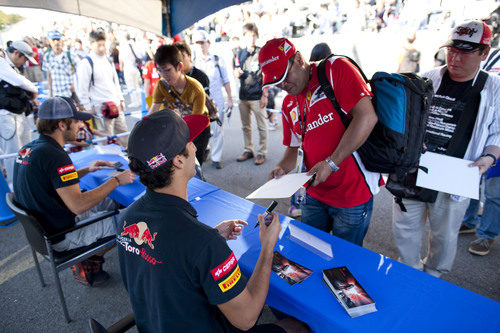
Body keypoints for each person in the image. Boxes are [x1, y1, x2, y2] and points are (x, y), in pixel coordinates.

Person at [119, 111, 308, 332]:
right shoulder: (204, 243)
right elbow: (246, 318)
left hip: (157, 323)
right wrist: (268, 247)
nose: (195, 147)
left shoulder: (127, 217)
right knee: (298, 326)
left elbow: (164, 258)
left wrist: (212, 237)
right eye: (189, 142)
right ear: (179, 161)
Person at [392, 21, 500, 277]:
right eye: (452, 50)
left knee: (444, 235)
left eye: (465, 53)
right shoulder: (430, 76)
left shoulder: (493, 88)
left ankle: (434, 277)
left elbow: (497, 132)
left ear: (484, 53)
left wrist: (489, 156)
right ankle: (409, 275)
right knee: (404, 228)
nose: (455, 58)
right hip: (414, 169)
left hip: (456, 174)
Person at [261, 38, 381, 246]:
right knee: (309, 252)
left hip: (351, 193)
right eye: (276, 82)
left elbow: (367, 117)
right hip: (312, 192)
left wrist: (331, 163)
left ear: (298, 59)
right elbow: (294, 147)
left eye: (284, 76)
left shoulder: (335, 69)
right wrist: (282, 167)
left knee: (345, 259)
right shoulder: (289, 101)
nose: (283, 85)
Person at [13, 97, 135, 285]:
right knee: (136, 217)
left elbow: (49, 181)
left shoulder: (30, 149)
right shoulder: (56, 155)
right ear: (62, 124)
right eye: (77, 120)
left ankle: (92, 256)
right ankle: (88, 261)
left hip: (45, 229)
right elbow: (78, 205)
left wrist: (86, 170)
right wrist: (117, 180)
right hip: (62, 234)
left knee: (113, 200)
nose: (81, 124)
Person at [459, 43, 500, 256]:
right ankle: (469, 220)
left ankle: (486, 234)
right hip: (483, 127)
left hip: (498, 136)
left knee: (494, 191)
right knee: (472, 177)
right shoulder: (492, 55)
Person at [148, 45, 211, 166]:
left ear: (179, 66)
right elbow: (153, 110)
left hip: (199, 129)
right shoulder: (161, 85)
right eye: (159, 71)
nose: (163, 75)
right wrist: (143, 127)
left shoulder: (196, 88)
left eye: (167, 70)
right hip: (179, 127)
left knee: (193, 166)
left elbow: (195, 122)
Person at [76, 30, 128, 147]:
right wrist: (89, 108)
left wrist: (121, 99)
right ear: (91, 44)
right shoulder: (86, 63)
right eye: (98, 45)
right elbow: (82, 89)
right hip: (101, 108)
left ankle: (129, 161)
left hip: (116, 105)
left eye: (103, 45)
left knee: (124, 137)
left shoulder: (108, 60)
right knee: (106, 142)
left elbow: (115, 82)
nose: (101, 48)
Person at [194, 31, 234, 169]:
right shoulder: (194, 63)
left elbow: (226, 80)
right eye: (197, 43)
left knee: (217, 130)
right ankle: (206, 149)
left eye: (202, 43)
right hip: (200, 103)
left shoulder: (217, 60)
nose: (200, 46)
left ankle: (216, 158)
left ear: (208, 44)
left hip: (216, 102)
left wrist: (230, 98)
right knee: (202, 130)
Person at [0, 40, 39, 182]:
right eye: (24, 58)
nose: (24, 63)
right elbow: (18, 81)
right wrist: (34, 90)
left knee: (24, 151)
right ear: (16, 53)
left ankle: (25, 182)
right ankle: (15, 186)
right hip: (7, 117)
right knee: (13, 155)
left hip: (19, 114)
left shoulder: (12, 66)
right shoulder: (2, 63)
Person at [234, 23, 269, 165]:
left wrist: (265, 94)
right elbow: (236, 69)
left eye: (254, 35)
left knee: (262, 126)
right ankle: (248, 149)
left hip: (257, 95)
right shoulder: (239, 53)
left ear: (257, 35)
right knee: (245, 126)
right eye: (249, 35)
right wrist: (236, 73)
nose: (252, 38)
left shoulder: (262, 52)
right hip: (243, 95)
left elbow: (267, 74)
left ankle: (262, 152)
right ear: (244, 37)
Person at [42, 30, 78, 99]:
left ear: (61, 41)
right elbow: (49, 75)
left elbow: (80, 72)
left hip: (70, 94)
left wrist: (74, 87)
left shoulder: (71, 55)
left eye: (58, 39)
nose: (56, 42)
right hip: (56, 95)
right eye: (53, 40)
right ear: (49, 42)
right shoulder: (47, 57)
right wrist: (51, 92)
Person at [120, 34, 142, 108]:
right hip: (135, 67)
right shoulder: (133, 44)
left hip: (128, 68)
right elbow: (139, 55)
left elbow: (122, 59)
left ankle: (135, 101)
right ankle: (139, 100)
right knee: (136, 85)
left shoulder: (123, 47)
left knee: (131, 86)